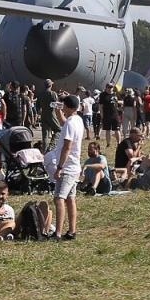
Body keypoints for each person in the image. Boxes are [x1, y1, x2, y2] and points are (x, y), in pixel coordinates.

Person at [50, 94, 85, 242]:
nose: (62, 107)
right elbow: (64, 124)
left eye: (63, 105)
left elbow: (67, 146)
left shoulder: (71, 123)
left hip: (67, 167)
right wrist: (58, 111)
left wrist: (59, 167)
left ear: (68, 107)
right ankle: (72, 230)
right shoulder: (77, 120)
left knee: (59, 198)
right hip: (74, 166)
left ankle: (57, 233)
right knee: (71, 199)